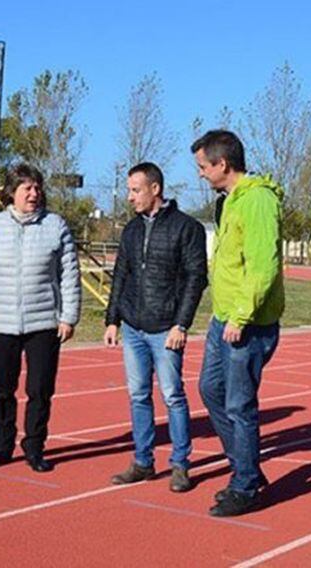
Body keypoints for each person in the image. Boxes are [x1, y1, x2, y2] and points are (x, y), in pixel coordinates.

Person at [0, 163, 81, 473]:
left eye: (37, 187)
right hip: (1, 324)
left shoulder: (55, 226)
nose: (34, 192)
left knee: (40, 390)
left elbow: (70, 274)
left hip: (44, 324)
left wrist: (69, 316)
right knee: (2, 388)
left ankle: (35, 447)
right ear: (11, 192)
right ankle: (2, 445)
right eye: (27, 187)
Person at [191, 129, 285, 517]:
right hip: (223, 318)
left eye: (202, 167)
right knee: (210, 389)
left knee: (239, 404)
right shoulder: (229, 201)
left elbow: (263, 267)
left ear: (222, 164)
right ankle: (246, 468)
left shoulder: (257, 201)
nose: (199, 174)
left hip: (247, 324)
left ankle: (245, 485)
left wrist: (242, 315)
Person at [103, 162, 208, 492]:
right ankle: (143, 462)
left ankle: (180, 464)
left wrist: (182, 324)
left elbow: (196, 278)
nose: (130, 197)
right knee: (138, 395)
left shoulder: (185, 228)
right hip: (133, 326)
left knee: (173, 396)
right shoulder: (131, 230)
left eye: (135, 190)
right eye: (129, 190)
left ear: (155, 189)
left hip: (166, 329)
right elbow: (121, 274)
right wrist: (112, 319)